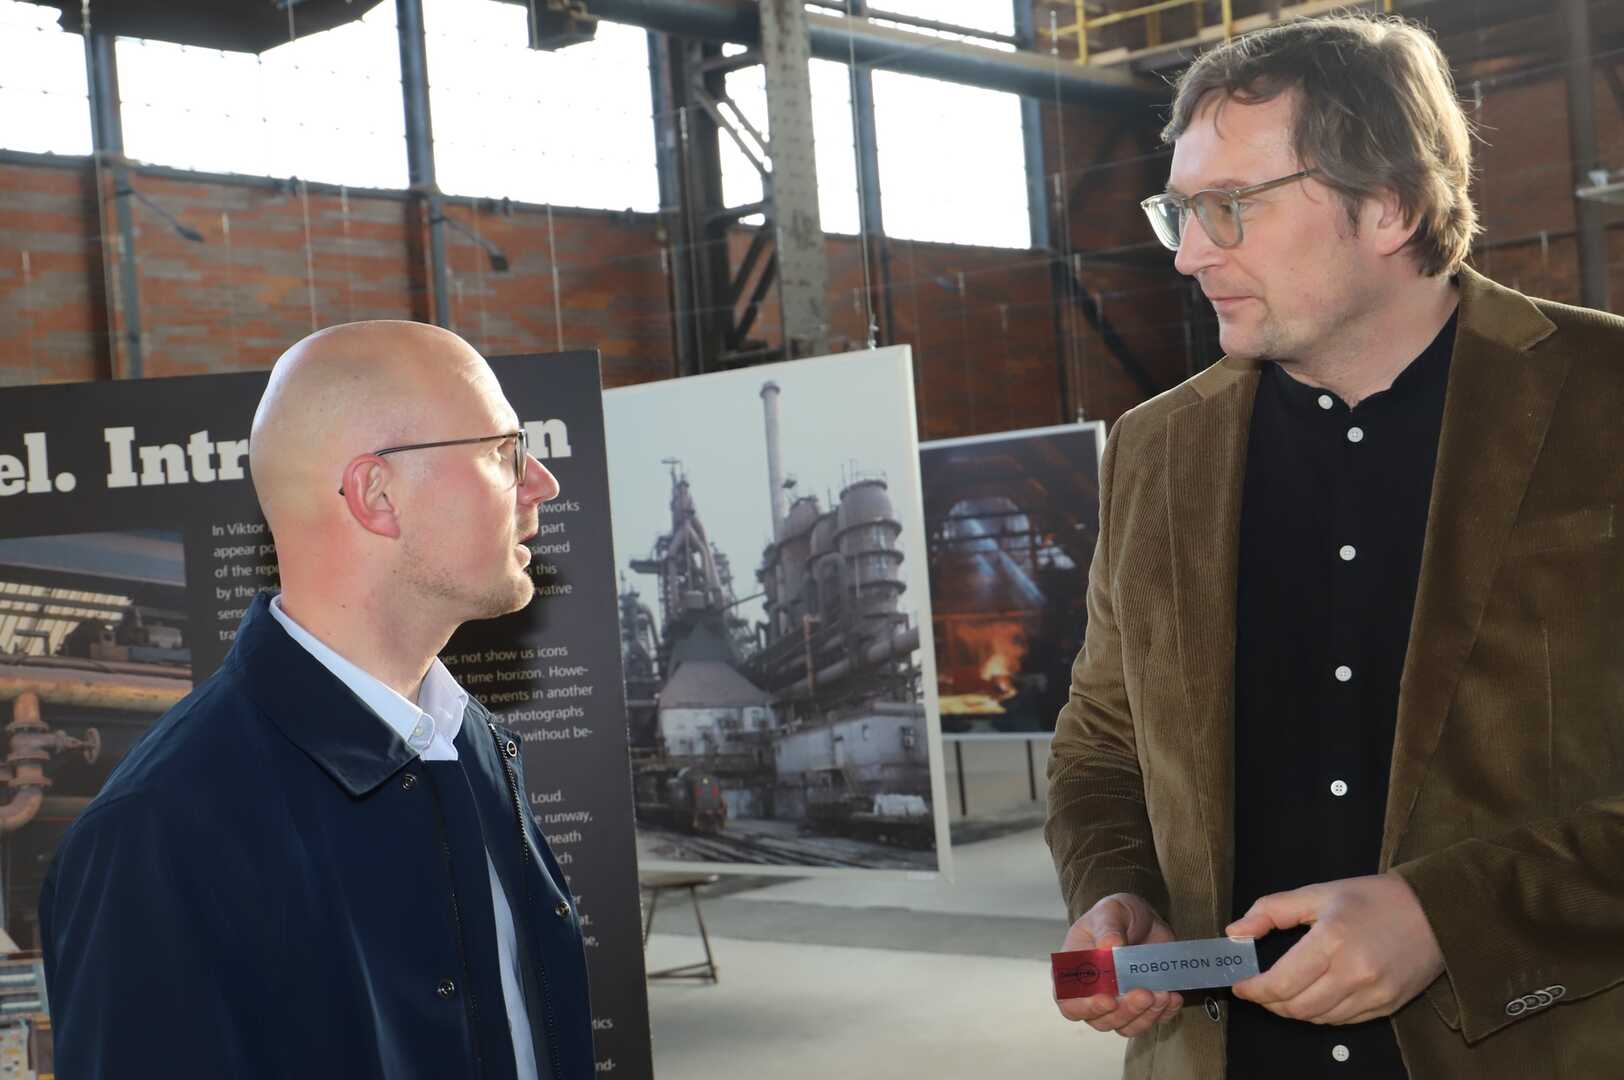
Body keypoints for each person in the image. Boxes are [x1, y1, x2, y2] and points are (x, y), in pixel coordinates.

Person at [1046, 14, 1623, 1079]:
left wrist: (1447, 916)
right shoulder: (1156, 448)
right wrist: (1116, 888)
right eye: (1178, 208)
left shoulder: (1602, 400)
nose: (1184, 253)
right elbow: (1100, 738)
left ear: (1390, 206)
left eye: (1227, 208)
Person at [40, 321, 596, 1079]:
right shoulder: (159, 832)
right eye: (504, 452)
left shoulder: (467, 745)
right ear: (377, 493)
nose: (542, 484)